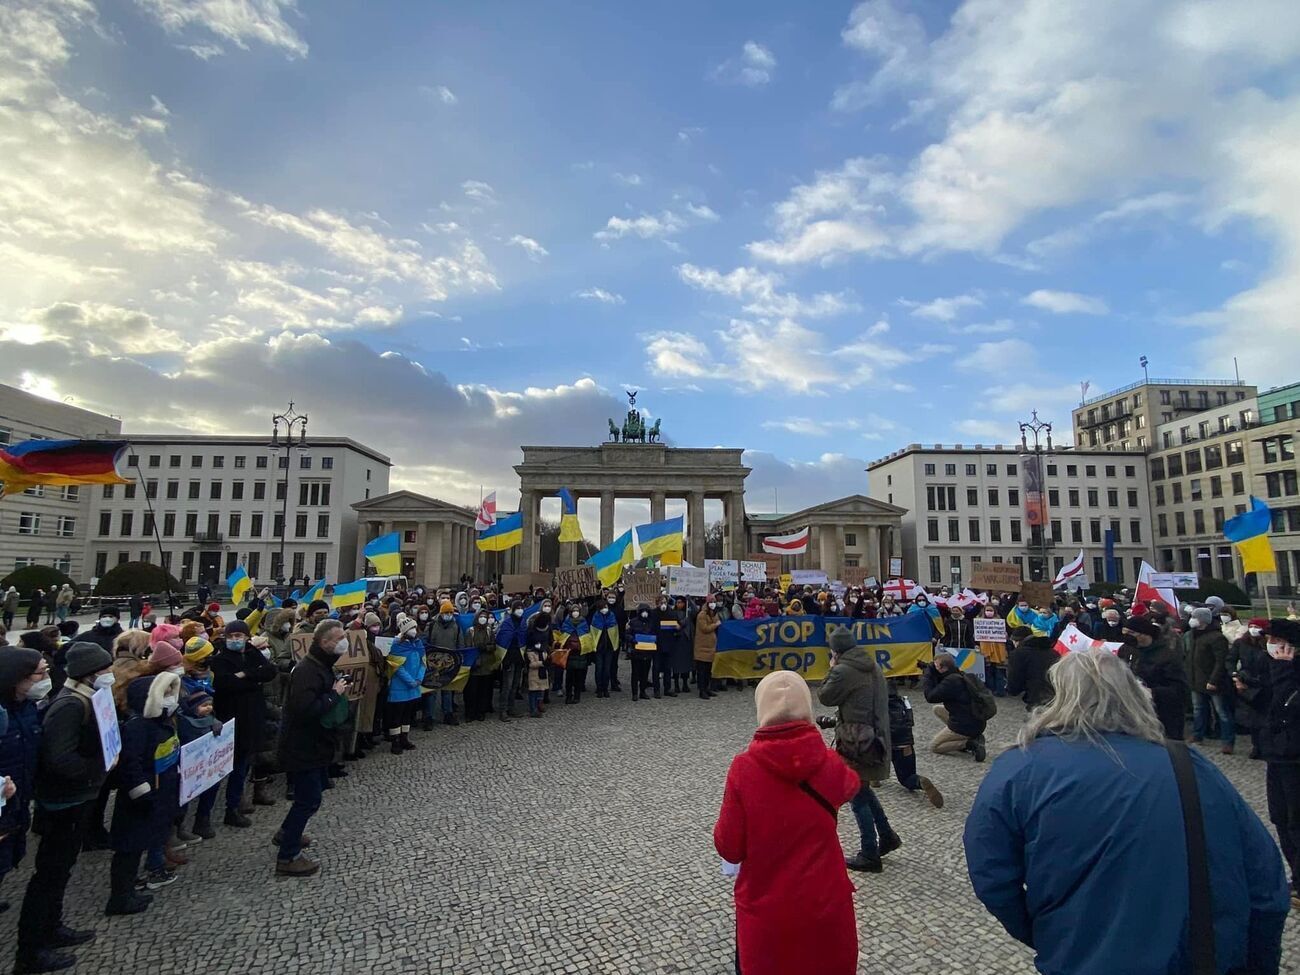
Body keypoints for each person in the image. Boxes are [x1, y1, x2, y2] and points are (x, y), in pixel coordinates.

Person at [964, 650, 1288, 975]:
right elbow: (1265, 884)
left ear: (1058, 696)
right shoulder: (1191, 765)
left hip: (1080, 957)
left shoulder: (1019, 768)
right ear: (1134, 693)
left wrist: (1048, 934)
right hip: (1196, 959)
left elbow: (991, 875)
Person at [714, 671, 858, 975]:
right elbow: (850, 786)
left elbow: (729, 847)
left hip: (768, 912)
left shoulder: (744, 769)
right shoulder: (830, 763)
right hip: (826, 905)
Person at [14, 643, 115, 974]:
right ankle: (30, 951)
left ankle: (53, 927)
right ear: (89, 674)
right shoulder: (70, 705)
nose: (109, 675)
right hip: (64, 800)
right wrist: (94, 769)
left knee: (61, 869)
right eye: (104, 670)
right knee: (49, 874)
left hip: (78, 797)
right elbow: (59, 758)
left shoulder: (84, 698)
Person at [816, 627, 898, 872]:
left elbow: (825, 696)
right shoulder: (870, 665)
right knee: (861, 788)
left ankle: (870, 853)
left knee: (856, 794)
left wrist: (831, 669)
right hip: (875, 736)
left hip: (858, 742)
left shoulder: (843, 670)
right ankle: (887, 835)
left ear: (835, 650)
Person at [274, 620, 350, 877]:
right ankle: (288, 856)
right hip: (303, 745)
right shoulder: (308, 670)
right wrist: (334, 694)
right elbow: (305, 709)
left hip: (315, 743)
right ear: (324, 642)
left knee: (313, 792)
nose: (344, 641)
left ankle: (287, 832)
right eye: (339, 637)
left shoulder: (320, 665)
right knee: (308, 799)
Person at [107, 671, 182, 913]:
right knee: (129, 847)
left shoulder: (158, 722)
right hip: (140, 798)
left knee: (140, 843)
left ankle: (128, 889)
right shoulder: (138, 726)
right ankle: (120, 896)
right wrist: (142, 792)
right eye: (166, 694)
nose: (171, 698)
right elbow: (131, 762)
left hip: (157, 792)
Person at [1247, 618, 1300, 906]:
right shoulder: (1272, 667)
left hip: (1294, 756)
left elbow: (1287, 706)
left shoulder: (1289, 670)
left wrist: (1283, 671)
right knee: (1279, 817)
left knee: (1296, 821)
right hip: (1275, 753)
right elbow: (1267, 707)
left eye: (1275, 639)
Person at [209, 620, 277, 826]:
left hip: (252, 717)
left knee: (243, 765)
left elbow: (268, 671)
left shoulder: (251, 652)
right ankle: (210, 814)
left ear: (247, 637)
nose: (235, 639)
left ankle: (234, 806)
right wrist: (251, 680)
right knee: (225, 768)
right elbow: (224, 683)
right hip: (230, 718)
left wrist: (246, 674)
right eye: (231, 636)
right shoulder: (220, 659)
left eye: (239, 636)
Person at [0, 649, 49, 913]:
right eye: (40, 673)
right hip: (4, 798)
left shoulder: (30, 707)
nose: (45, 678)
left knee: (9, 856)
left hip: (19, 797)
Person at [1120, 615, 1189, 741]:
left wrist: (1152, 692)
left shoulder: (1168, 655)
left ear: (1144, 634)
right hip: (1134, 712)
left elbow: (1180, 690)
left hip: (1163, 714)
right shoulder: (1126, 649)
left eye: (1131, 633)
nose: (1126, 637)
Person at [922, 652, 989, 761]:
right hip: (976, 719)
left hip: (964, 724)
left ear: (943, 668)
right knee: (937, 709)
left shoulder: (951, 682)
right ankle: (967, 736)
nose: (934, 668)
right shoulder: (959, 675)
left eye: (936, 666)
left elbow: (930, 697)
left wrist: (927, 676)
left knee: (935, 746)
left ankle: (970, 743)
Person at [1185, 606, 1234, 753]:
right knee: (1199, 710)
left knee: (1222, 712)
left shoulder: (1216, 637)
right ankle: (1198, 734)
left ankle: (1228, 741)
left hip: (1212, 681)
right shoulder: (1194, 635)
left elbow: (1220, 661)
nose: (1192, 620)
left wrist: (1213, 680)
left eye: (1195, 617)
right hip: (1196, 679)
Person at [1229, 618, 1271, 758]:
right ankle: (1256, 746)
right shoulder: (1241, 643)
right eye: (1251, 626)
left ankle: (1265, 746)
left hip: (1264, 685)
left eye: (1256, 627)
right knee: (1252, 719)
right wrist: (1235, 676)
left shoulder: (1267, 645)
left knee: (1265, 719)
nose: (1253, 629)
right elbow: (1230, 661)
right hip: (1246, 683)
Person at [386, 613, 425, 753]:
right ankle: (395, 741)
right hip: (400, 686)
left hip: (414, 686)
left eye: (415, 628)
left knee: (407, 714)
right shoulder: (397, 645)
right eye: (411, 628)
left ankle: (404, 738)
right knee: (397, 715)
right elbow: (396, 666)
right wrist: (410, 680)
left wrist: (419, 679)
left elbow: (423, 662)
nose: (414, 631)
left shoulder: (418, 643)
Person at [425, 601, 463, 726]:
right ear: (441, 613)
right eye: (446, 612)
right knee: (432, 691)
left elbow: (460, 644)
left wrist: (459, 658)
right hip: (433, 663)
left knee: (447, 690)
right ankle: (429, 717)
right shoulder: (432, 625)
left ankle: (448, 714)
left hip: (449, 662)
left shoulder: (456, 626)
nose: (449, 615)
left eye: (451, 612)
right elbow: (426, 642)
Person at [1004, 625, 1057, 709]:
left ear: (1016, 641)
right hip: (1056, 696)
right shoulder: (1053, 652)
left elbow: (1015, 679)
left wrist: (1012, 690)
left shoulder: (1018, 653)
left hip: (1036, 697)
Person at [494, 603, 526, 721]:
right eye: (518, 608)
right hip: (508, 657)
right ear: (512, 610)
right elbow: (501, 638)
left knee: (515, 685)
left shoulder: (523, 622)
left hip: (519, 657)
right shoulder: (507, 623)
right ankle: (503, 710)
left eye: (521, 608)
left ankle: (511, 708)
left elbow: (524, 637)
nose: (520, 610)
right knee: (506, 685)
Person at [463, 610, 497, 721]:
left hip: (486, 666)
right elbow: (467, 648)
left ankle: (480, 712)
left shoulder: (489, 630)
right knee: (471, 692)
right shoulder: (470, 631)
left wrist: (486, 647)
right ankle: (469, 712)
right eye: (481, 616)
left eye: (485, 617)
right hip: (474, 666)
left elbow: (493, 646)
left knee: (483, 691)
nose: (483, 618)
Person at [589, 596, 620, 698]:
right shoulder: (595, 618)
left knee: (607, 669)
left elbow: (615, 632)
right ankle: (599, 688)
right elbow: (593, 633)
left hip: (609, 648)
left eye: (605, 607)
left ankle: (605, 688)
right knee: (599, 668)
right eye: (602, 607)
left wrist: (615, 644)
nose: (604, 609)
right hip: (599, 648)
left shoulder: (612, 616)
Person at [627, 603, 658, 701]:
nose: (644, 613)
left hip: (648, 651)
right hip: (636, 651)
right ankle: (635, 693)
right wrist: (633, 639)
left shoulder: (652, 622)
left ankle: (643, 692)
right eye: (642, 611)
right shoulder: (633, 622)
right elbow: (627, 634)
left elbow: (656, 633)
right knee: (635, 673)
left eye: (646, 611)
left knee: (645, 673)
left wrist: (654, 639)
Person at [693, 596, 722, 700]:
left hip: (710, 647)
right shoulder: (702, 615)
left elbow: (717, 621)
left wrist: (715, 621)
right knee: (702, 670)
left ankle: (707, 688)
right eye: (711, 602)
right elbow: (705, 628)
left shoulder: (713, 614)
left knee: (708, 670)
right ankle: (702, 690)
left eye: (714, 602)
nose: (713, 603)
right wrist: (715, 624)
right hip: (702, 647)